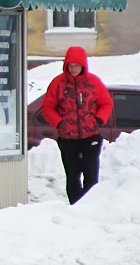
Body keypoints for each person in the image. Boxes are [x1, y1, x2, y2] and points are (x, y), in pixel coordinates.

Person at [40, 46, 113, 204]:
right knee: (72, 176)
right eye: (70, 65)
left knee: (91, 174)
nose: (73, 69)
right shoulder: (58, 83)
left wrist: (99, 119)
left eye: (76, 65)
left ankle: (90, 206)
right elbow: (47, 107)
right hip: (68, 138)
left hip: (91, 136)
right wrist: (59, 123)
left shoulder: (93, 82)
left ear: (83, 65)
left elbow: (106, 103)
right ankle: (75, 207)